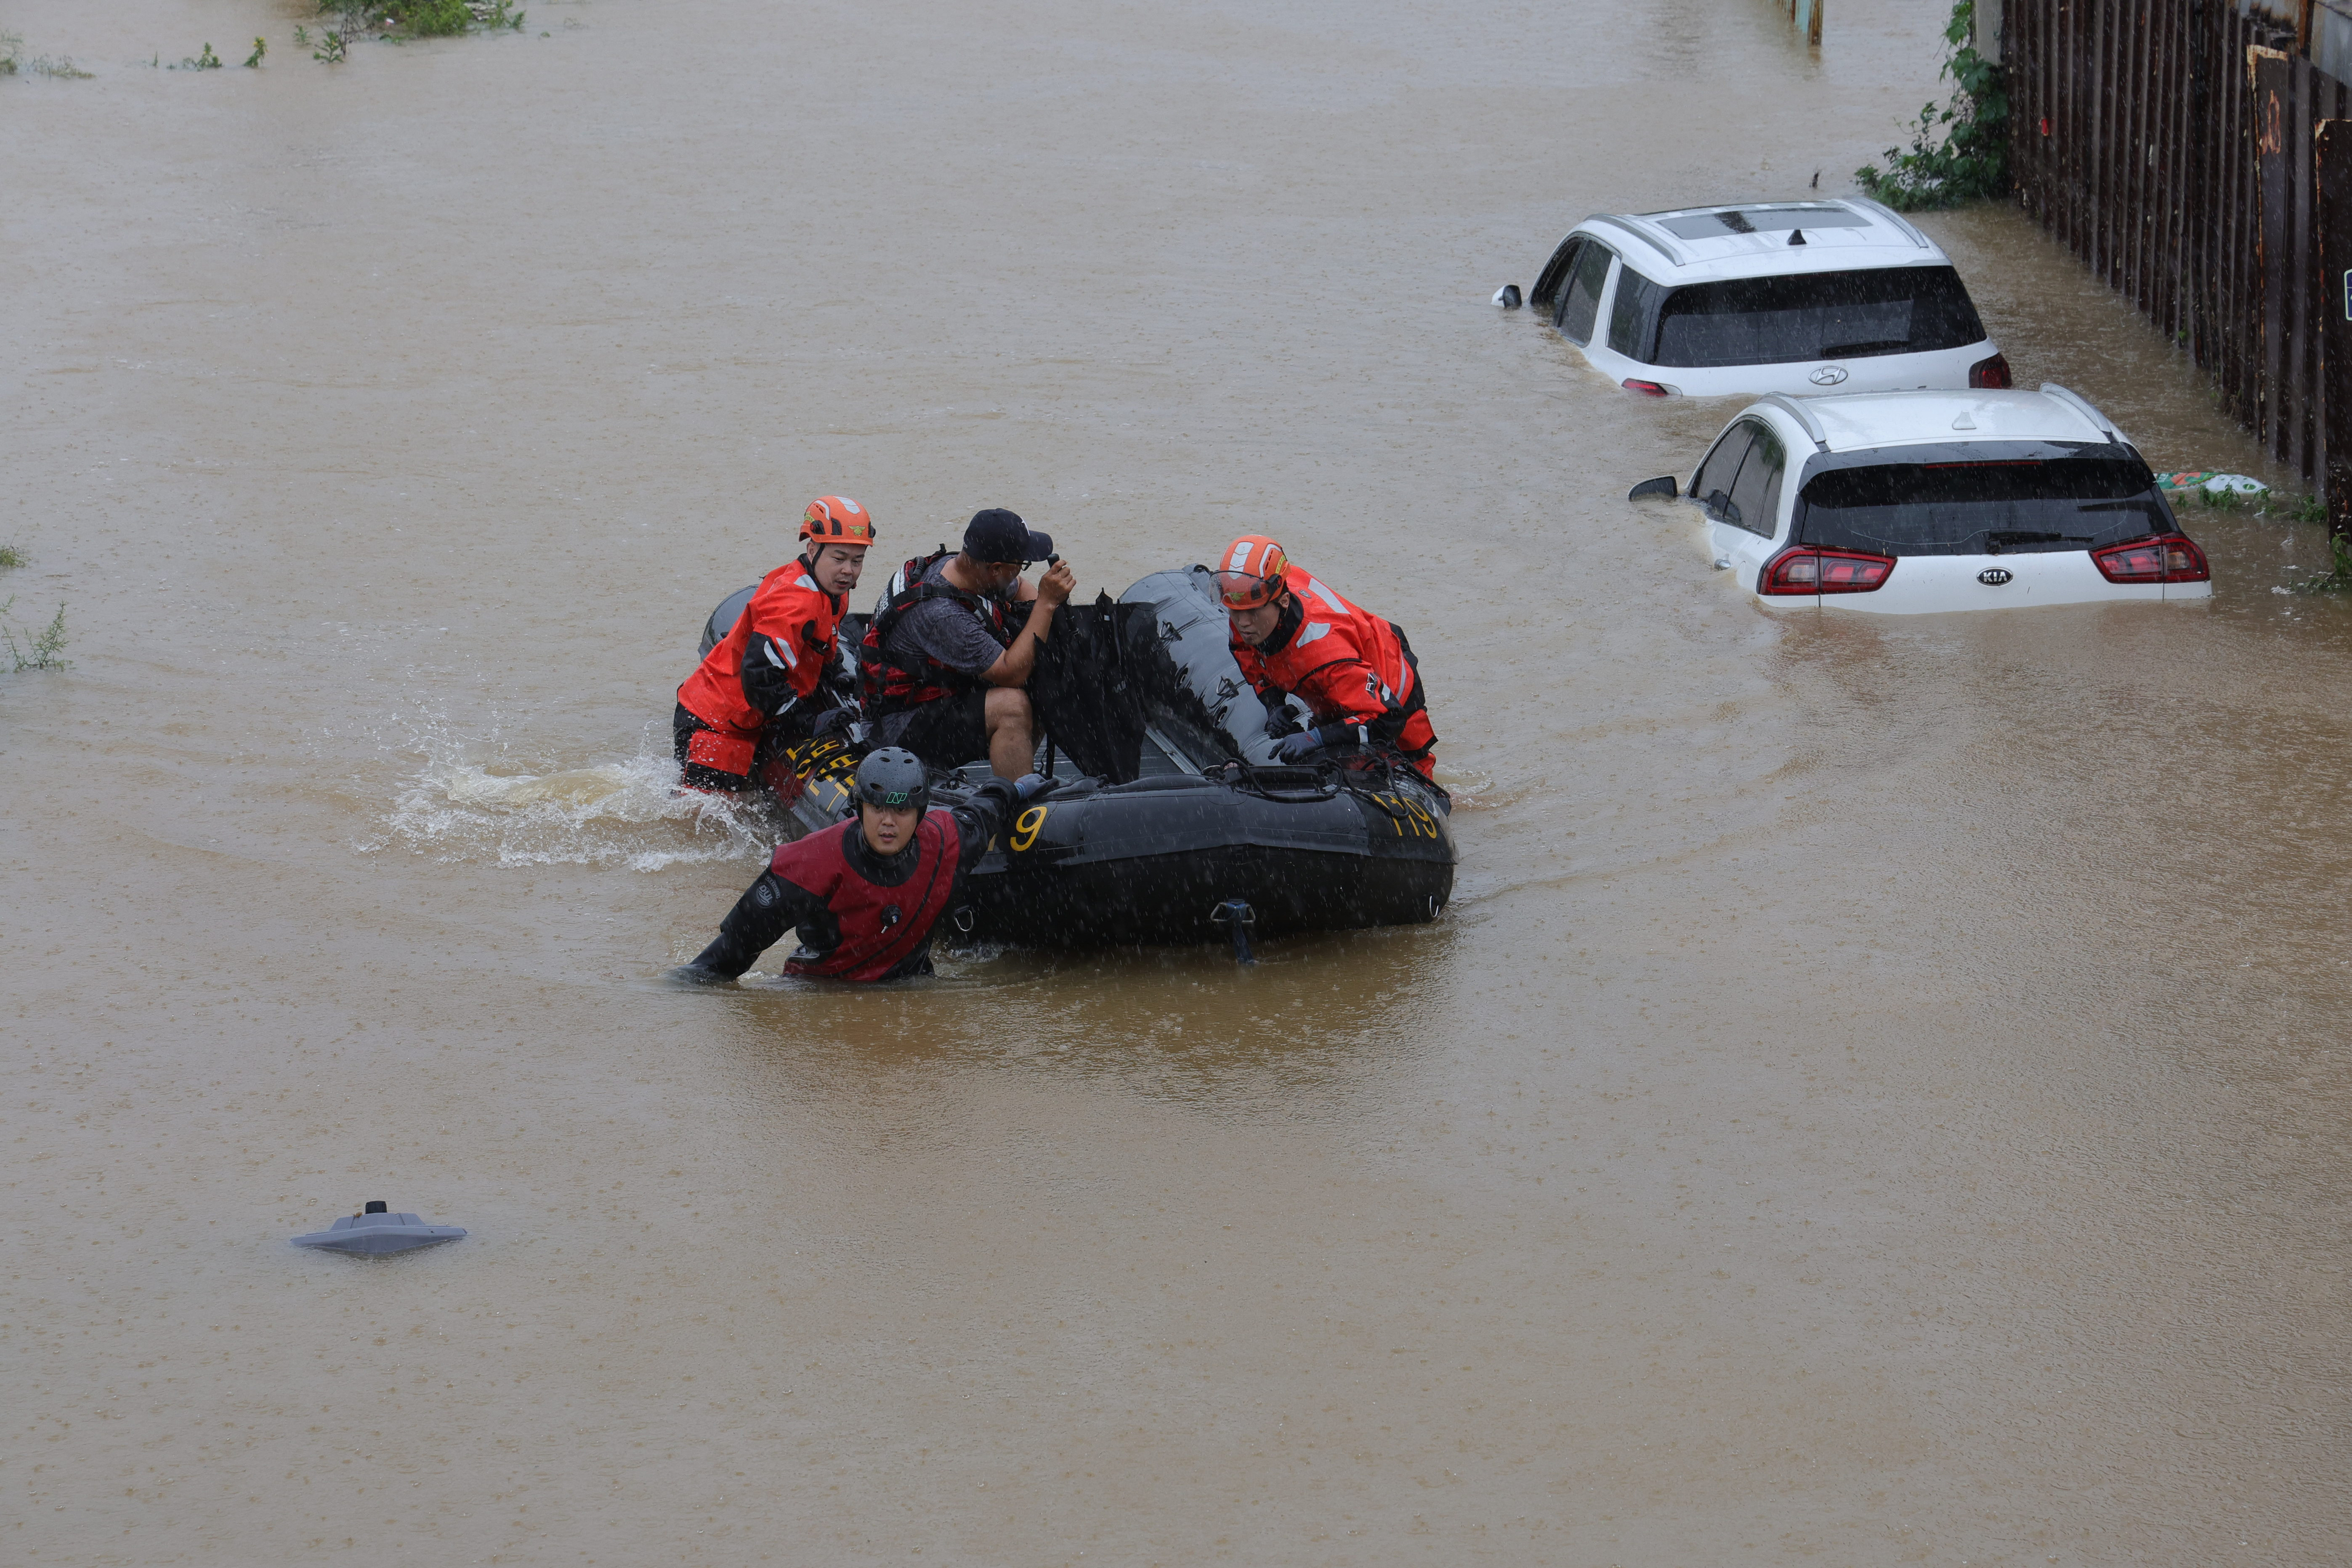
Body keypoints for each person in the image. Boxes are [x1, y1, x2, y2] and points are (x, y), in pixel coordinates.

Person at [669, 748, 1048, 984]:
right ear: (860, 806)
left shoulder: (949, 839)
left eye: (901, 810)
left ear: (920, 814)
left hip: (909, 989)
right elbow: (727, 955)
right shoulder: (809, 863)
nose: (888, 821)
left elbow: (986, 810)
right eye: (877, 807)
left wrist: (1020, 787)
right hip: (821, 994)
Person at [674, 496, 874, 794]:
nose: (848, 570)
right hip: (716, 724)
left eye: (857, 561)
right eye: (839, 558)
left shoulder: (832, 590)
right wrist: (809, 723)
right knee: (707, 824)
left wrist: (837, 677)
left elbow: (822, 639)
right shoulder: (794, 603)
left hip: (739, 718)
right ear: (812, 549)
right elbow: (759, 676)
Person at [860, 508, 1077, 780]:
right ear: (996, 568)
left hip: (935, 694)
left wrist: (1042, 606)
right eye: (1020, 563)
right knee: (1013, 705)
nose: (1021, 570)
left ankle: (1016, 767)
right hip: (897, 729)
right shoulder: (942, 615)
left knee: (1043, 685)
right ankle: (1016, 802)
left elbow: (1018, 587)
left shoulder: (965, 567)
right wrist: (1047, 604)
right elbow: (1012, 673)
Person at [1215, 534, 1439, 780]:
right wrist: (1274, 706)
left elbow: (1389, 719)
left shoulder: (1327, 657)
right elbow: (1248, 656)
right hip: (1339, 673)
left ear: (1283, 601)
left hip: (1389, 673)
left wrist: (1317, 738)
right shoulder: (1250, 604)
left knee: (1414, 767)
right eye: (1235, 612)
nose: (1243, 623)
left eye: (1253, 612)